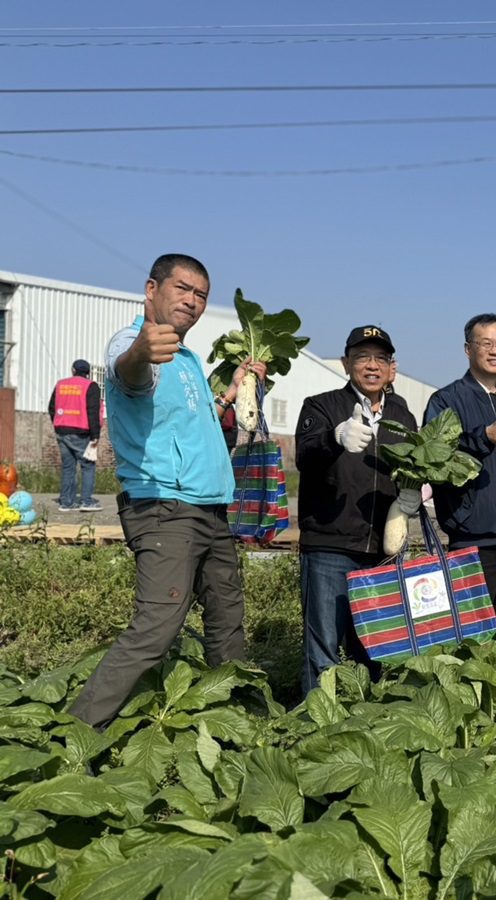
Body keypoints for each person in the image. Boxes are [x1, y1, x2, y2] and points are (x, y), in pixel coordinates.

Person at [69, 254, 264, 728]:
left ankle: (234, 722)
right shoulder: (136, 342)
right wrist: (141, 350)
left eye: (201, 295)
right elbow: (129, 373)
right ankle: (75, 733)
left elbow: (190, 421)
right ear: (152, 288)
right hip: (165, 506)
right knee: (156, 628)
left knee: (226, 620)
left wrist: (232, 394)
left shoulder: (190, 359)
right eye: (183, 288)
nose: (192, 301)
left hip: (210, 507)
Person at [295, 325, 418, 694]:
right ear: (346, 362)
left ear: (391, 367)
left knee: (377, 647)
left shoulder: (403, 414)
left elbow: (415, 467)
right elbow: (305, 455)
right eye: (362, 356)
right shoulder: (322, 405)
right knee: (323, 652)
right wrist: (335, 439)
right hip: (330, 546)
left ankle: (368, 725)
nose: (371, 365)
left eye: (380, 357)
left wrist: (414, 494)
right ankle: (315, 730)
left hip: (383, 551)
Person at [424, 313, 496, 655]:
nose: (495, 350)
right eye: (485, 343)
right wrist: (482, 436)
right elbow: (434, 457)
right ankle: (465, 705)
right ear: (467, 349)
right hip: (474, 538)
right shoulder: (446, 401)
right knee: (468, 630)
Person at [48, 359, 102, 512]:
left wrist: (57, 422)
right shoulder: (90, 386)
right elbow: (93, 411)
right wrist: (95, 435)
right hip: (81, 432)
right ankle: (86, 501)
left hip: (61, 430)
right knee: (87, 465)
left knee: (68, 467)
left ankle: (66, 502)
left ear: (73, 370)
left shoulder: (60, 384)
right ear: (88, 372)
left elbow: (51, 407)